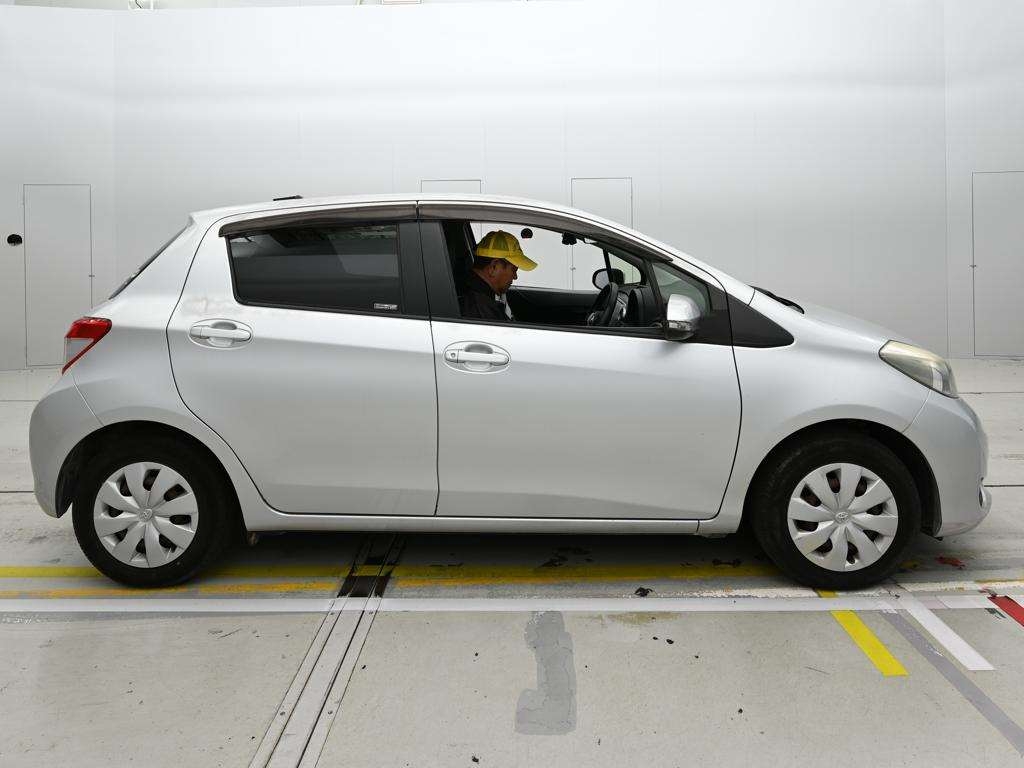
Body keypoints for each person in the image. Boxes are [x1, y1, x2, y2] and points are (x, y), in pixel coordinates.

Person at [460, 230, 537, 321]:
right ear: (494, 267)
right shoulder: (480, 311)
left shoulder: (483, 296)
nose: (515, 277)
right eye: (514, 270)